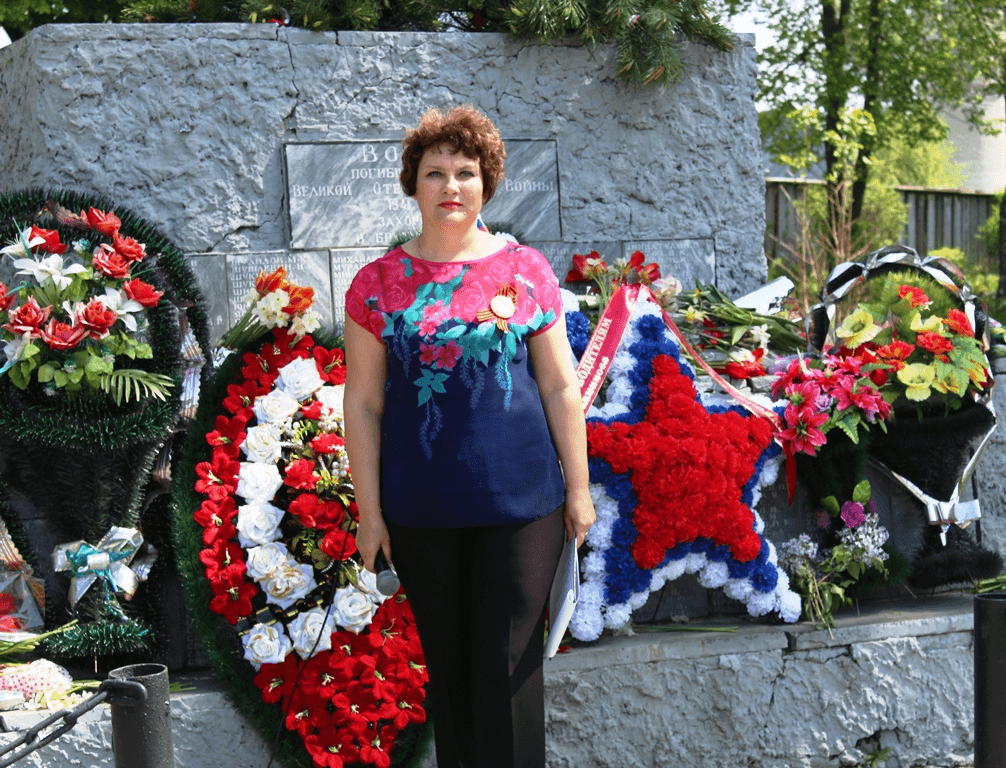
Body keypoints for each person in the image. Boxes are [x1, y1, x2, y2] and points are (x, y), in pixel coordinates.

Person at [343, 104, 595, 768]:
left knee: (507, 671)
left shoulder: (526, 271)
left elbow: (560, 387)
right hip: (421, 512)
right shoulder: (376, 286)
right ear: (412, 183)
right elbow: (363, 405)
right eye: (435, 173)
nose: (450, 186)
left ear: (487, 183)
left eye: (465, 172)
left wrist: (580, 490)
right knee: (450, 675)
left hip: (523, 508)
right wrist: (369, 514)